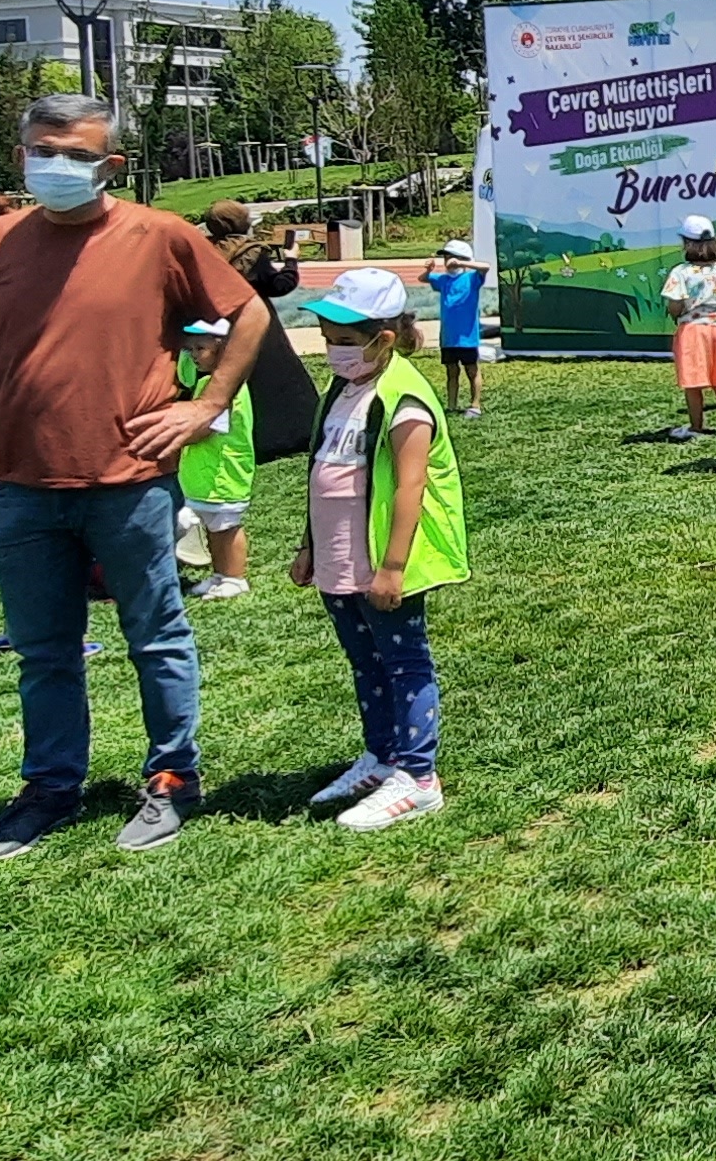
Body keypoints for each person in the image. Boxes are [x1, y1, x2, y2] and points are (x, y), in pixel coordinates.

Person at [0, 93, 271, 862]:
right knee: (43, 649)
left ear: (111, 165)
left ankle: (171, 779)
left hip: (128, 480)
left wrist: (207, 405)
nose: (56, 165)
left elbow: (247, 314)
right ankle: (50, 787)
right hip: (19, 484)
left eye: (76, 155)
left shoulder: (159, 236)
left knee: (156, 636)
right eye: (41, 150)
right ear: (20, 154)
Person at [291, 268, 467, 833]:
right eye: (328, 340)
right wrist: (309, 544)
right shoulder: (344, 391)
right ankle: (381, 756)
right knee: (364, 661)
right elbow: (324, 471)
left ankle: (418, 777)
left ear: (383, 338)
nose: (334, 352)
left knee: (404, 663)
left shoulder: (404, 397)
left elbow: (409, 486)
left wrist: (392, 567)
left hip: (382, 563)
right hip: (339, 555)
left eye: (344, 341)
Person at [169, 318, 257, 602]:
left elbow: (206, 428)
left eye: (200, 348)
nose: (193, 354)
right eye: (190, 348)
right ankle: (220, 574)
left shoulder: (227, 387)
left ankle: (234, 577)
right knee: (212, 527)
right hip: (205, 476)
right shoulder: (207, 381)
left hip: (223, 473)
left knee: (226, 528)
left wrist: (175, 437)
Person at [659, 215, 716, 441]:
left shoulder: (681, 272)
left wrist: (675, 311)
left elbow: (675, 304)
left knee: (693, 382)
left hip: (693, 331)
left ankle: (696, 426)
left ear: (686, 243)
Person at [423, 239, 486, 418]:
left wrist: (463, 263)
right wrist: (428, 269)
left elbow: (485, 267)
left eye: (451, 257)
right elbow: (424, 278)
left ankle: (475, 405)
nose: (448, 261)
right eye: (446, 258)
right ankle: (451, 405)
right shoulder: (443, 280)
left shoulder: (471, 278)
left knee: (471, 370)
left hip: (467, 337)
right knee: (451, 371)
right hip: (448, 337)